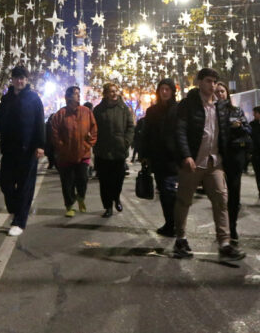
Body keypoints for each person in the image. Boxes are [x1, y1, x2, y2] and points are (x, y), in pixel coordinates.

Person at [171, 68, 245, 261]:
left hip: (214, 162)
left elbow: (226, 133)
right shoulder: (188, 105)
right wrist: (186, 156)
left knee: (221, 200)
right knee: (184, 200)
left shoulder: (221, 106)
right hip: (193, 162)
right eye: (208, 81)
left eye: (214, 81)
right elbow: (180, 131)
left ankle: (225, 243)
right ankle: (180, 238)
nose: (212, 85)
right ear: (199, 82)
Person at [0, 65, 45, 237]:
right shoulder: (7, 98)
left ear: (27, 79)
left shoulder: (33, 99)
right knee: (6, 183)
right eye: (17, 77)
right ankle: (17, 210)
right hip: (9, 149)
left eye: (23, 77)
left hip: (28, 149)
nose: (20, 80)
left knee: (25, 186)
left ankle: (19, 221)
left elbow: (40, 122)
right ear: (13, 79)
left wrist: (40, 145)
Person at [48, 85, 97, 217]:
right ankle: (69, 205)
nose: (78, 95)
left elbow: (94, 130)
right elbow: (54, 133)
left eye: (79, 93)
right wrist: (62, 147)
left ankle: (81, 197)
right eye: (76, 93)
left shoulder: (86, 112)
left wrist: (88, 144)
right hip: (65, 156)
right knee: (67, 183)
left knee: (82, 179)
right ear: (68, 97)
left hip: (83, 153)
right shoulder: (60, 114)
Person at [141, 78, 180, 236]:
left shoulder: (178, 109)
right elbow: (146, 135)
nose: (164, 92)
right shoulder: (152, 111)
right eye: (162, 89)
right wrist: (144, 155)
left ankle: (175, 224)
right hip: (158, 158)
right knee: (164, 192)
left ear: (172, 91)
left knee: (170, 191)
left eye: (167, 89)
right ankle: (170, 223)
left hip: (174, 158)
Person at [92, 82, 135, 218]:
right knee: (104, 181)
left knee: (118, 179)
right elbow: (93, 129)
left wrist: (126, 142)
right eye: (111, 91)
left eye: (115, 91)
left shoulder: (124, 109)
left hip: (119, 151)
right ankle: (108, 206)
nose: (114, 93)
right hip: (103, 152)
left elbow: (130, 127)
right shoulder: (98, 110)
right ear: (105, 94)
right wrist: (95, 144)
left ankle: (116, 197)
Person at [216, 82, 251, 243]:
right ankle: (222, 229)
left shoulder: (236, 111)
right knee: (219, 195)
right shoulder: (211, 112)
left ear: (227, 93)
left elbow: (247, 129)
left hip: (235, 157)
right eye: (217, 92)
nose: (220, 94)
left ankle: (232, 227)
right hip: (217, 157)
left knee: (234, 194)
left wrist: (238, 126)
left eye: (222, 91)